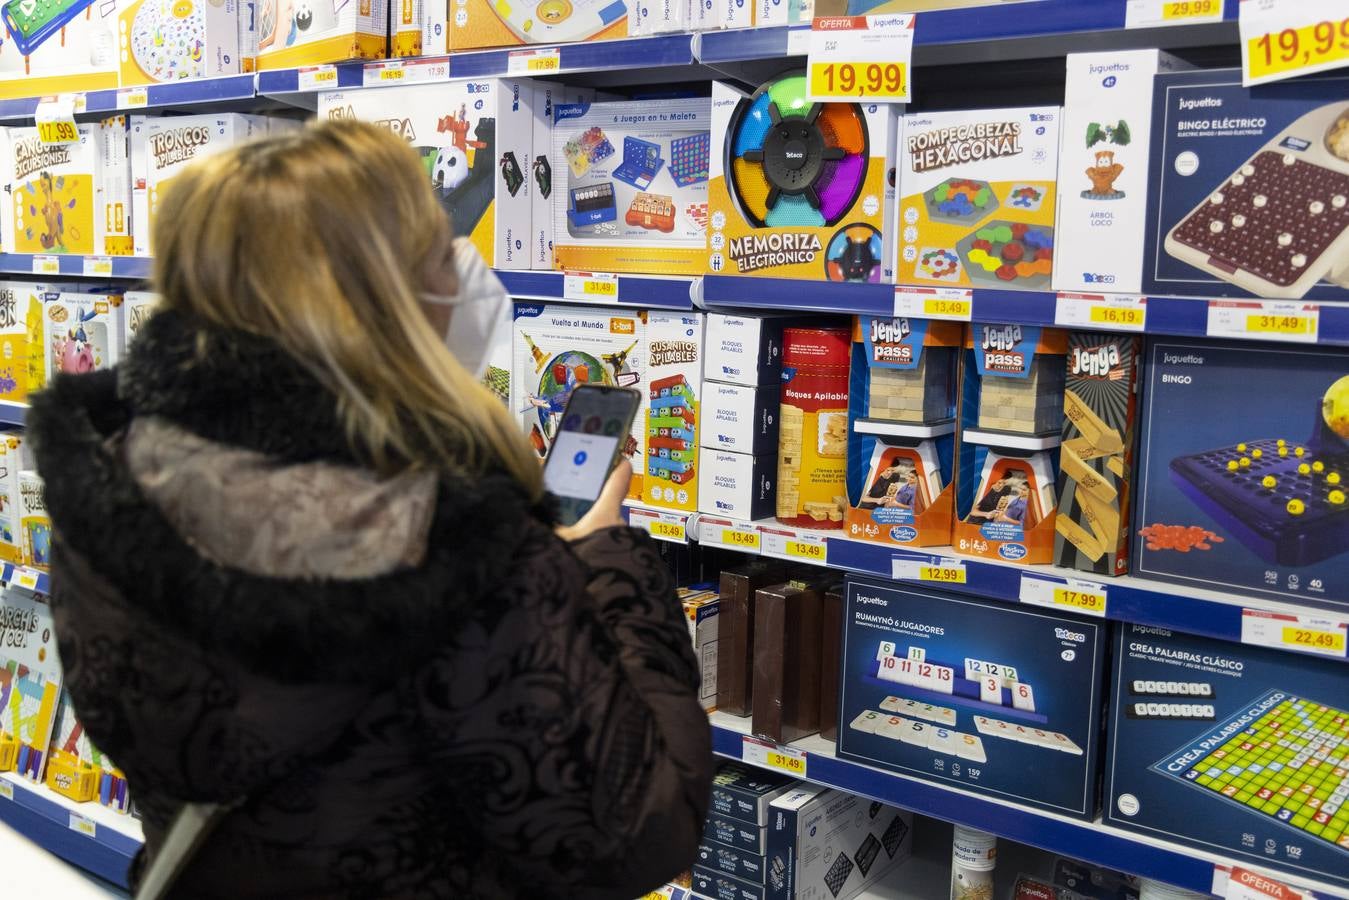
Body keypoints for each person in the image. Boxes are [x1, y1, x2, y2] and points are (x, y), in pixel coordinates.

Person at [28, 121, 713, 898]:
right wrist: (606, 565)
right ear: (386, 290)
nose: (458, 265)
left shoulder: (109, 474)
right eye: (435, 243)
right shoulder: (458, 549)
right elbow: (635, 830)